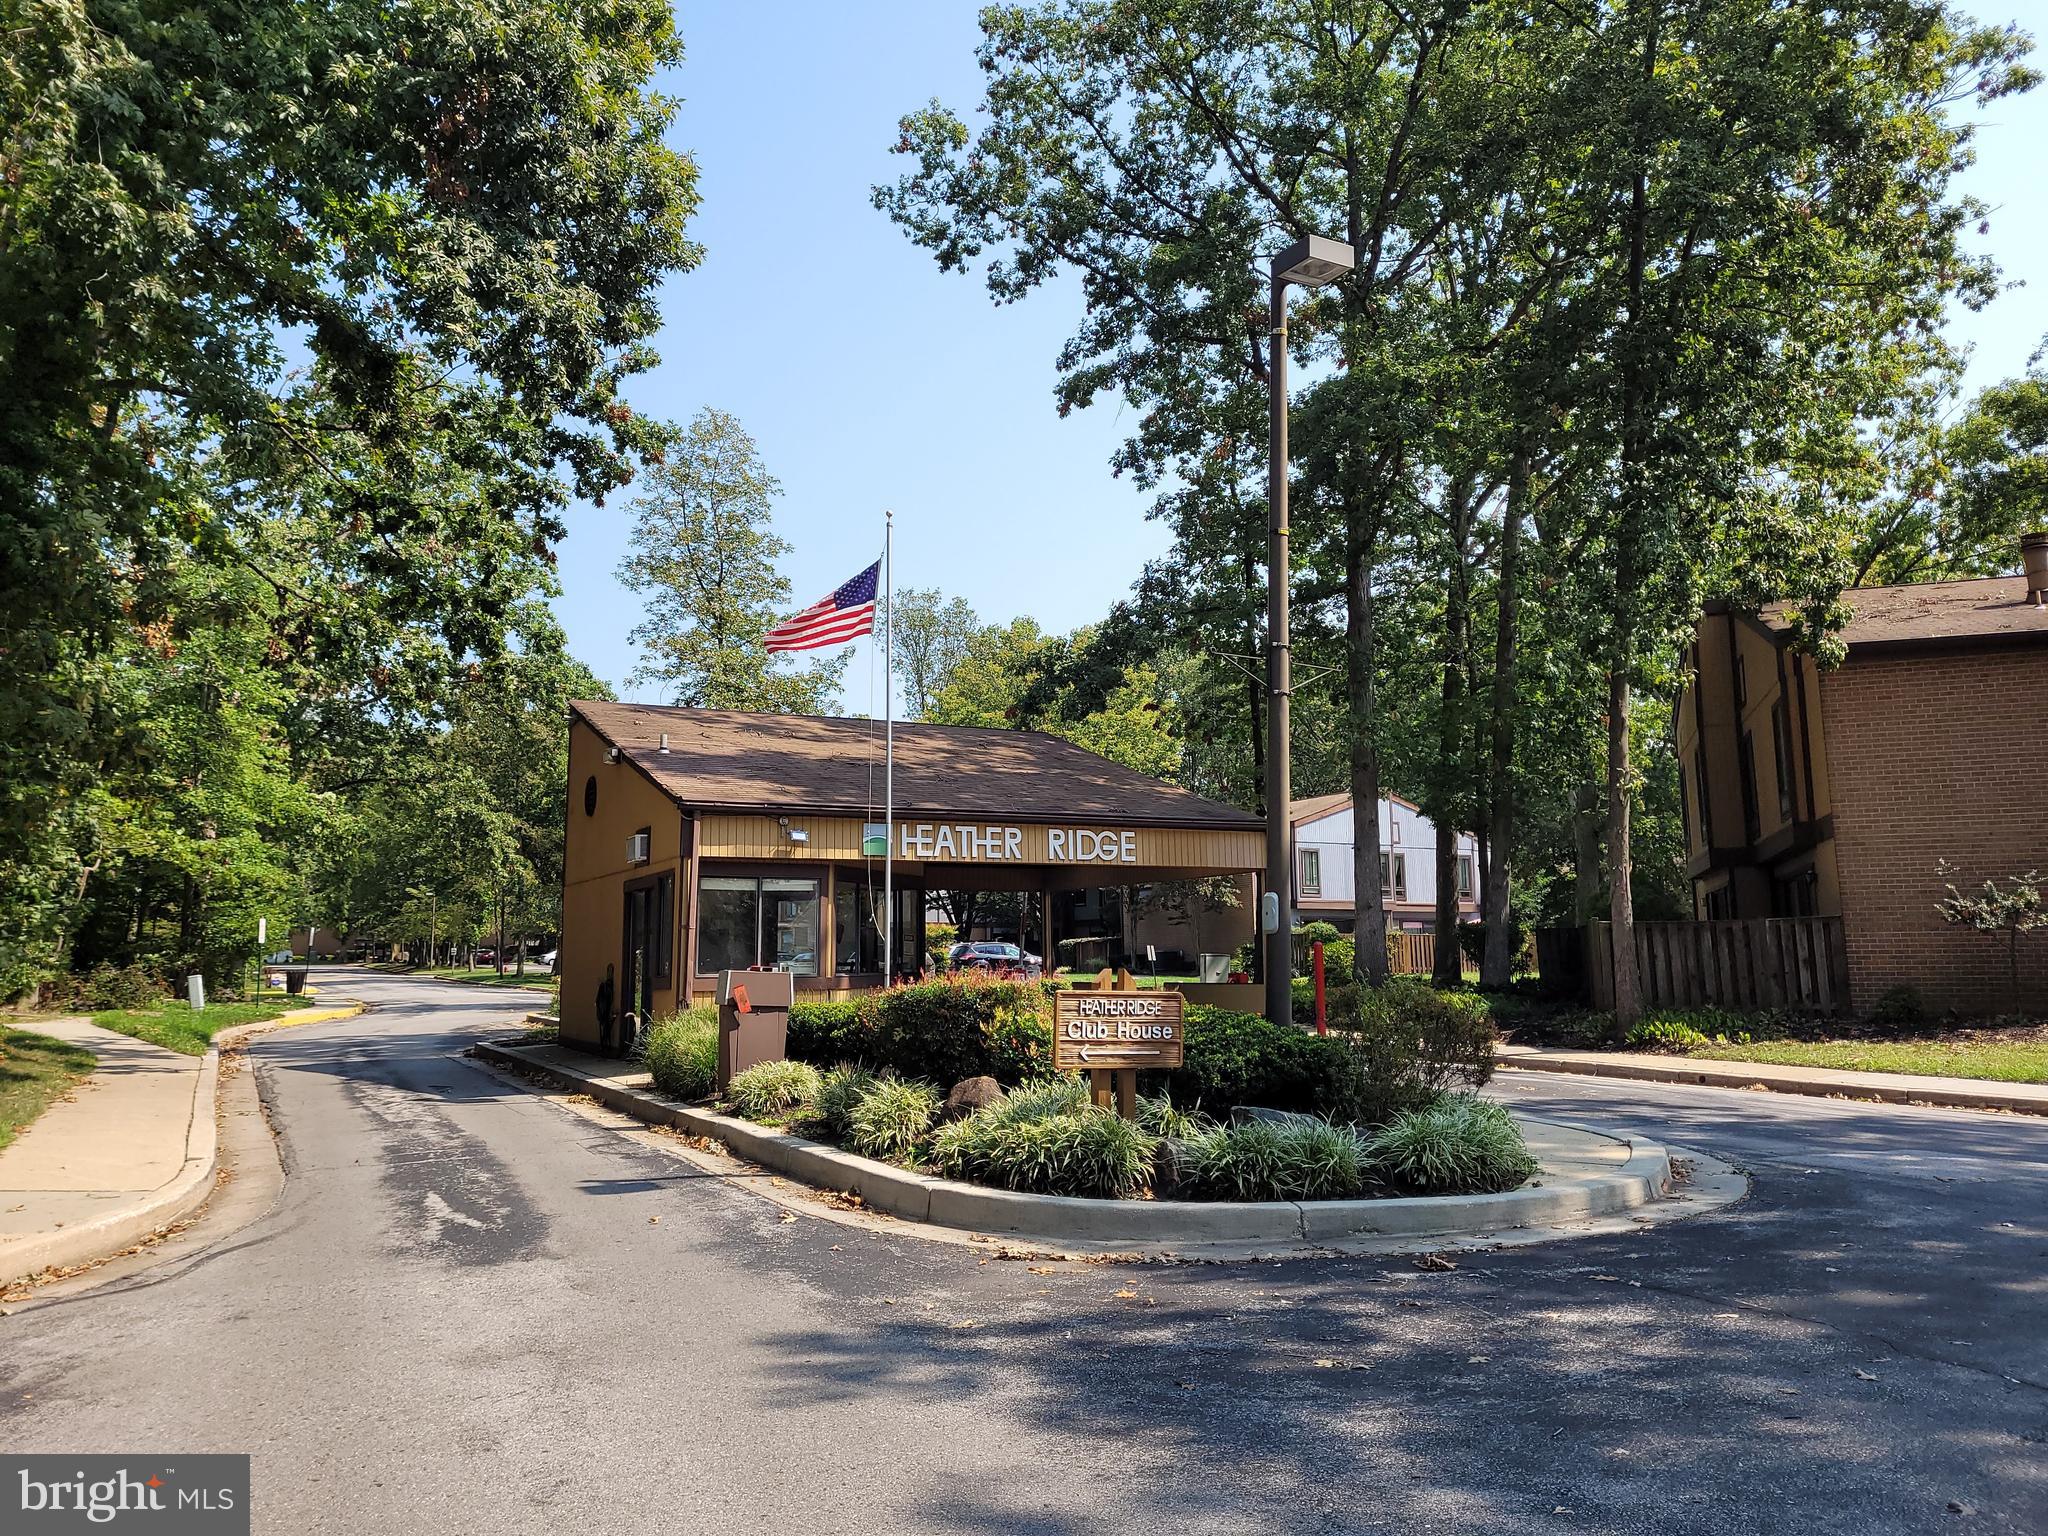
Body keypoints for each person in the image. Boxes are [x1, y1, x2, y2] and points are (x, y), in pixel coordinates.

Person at [595, 964, 615, 1053]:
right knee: (605, 1027)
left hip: (605, 1010)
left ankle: (605, 1044)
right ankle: (605, 1044)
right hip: (604, 1010)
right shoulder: (604, 987)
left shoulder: (606, 987)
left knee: (606, 1027)